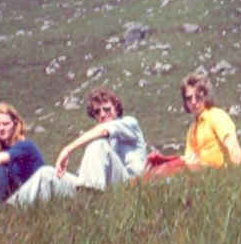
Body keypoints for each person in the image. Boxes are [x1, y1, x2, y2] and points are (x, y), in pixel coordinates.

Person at [8, 87, 147, 205]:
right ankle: (11, 209)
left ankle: (91, 200)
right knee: (46, 174)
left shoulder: (129, 124)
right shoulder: (101, 145)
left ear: (116, 109)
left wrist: (68, 149)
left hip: (129, 187)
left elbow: (103, 130)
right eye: (97, 112)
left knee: (98, 145)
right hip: (101, 189)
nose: (103, 114)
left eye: (107, 109)